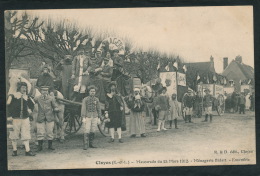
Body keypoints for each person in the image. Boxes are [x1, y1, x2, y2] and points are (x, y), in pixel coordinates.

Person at [7, 82, 36, 156]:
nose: (24, 89)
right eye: (23, 87)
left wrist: (30, 110)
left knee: (26, 134)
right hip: (15, 119)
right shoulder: (13, 96)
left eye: (25, 88)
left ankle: (27, 151)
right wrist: (9, 116)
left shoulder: (28, 97)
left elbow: (33, 105)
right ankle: (14, 150)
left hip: (25, 118)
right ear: (19, 88)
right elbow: (8, 106)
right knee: (14, 134)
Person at [34, 86, 60, 151]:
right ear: (41, 91)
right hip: (40, 117)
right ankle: (40, 147)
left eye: (46, 91)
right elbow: (32, 102)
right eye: (43, 90)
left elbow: (55, 106)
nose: (44, 92)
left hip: (49, 117)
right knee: (40, 132)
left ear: (48, 91)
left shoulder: (51, 98)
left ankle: (50, 146)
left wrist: (56, 109)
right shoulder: (38, 98)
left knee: (50, 131)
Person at [81, 85, 102, 150]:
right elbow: (83, 108)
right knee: (86, 130)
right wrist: (83, 117)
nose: (92, 92)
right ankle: (85, 144)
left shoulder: (97, 99)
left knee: (93, 130)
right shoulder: (85, 99)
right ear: (89, 92)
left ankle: (91, 144)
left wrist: (99, 117)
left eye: (93, 91)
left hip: (95, 116)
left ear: (95, 92)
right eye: (91, 91)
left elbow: (98, 108)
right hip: (88, 116)